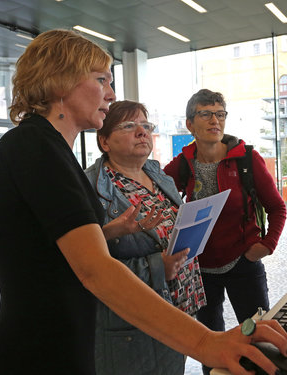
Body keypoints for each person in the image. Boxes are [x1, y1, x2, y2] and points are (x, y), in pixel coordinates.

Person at [0, 30, 287, 375]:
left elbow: (48, 251)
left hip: (58, 345)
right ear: (60, 80)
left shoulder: (48, 149)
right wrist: (207, 343)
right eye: (101, 80)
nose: (111, 94)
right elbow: (94, 269)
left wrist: (108, 231)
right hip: (39, 354)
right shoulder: (36, 149)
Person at [164, 89, 287, 373]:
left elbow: (277, 207)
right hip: (202, 267)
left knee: (258, 338)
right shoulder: (183, 163)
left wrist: (267, 245)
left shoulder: (246, 158)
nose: (214, 120)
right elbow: (157, 192)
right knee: (212, 345)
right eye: (205, 114)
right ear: (190, 124)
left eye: (220, 114)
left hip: (244, 262)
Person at [85, 99, 206, 375]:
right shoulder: (91, 187)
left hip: (179, 303)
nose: (142, 132)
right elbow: (88, 264)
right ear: (104, 141)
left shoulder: (157, 174)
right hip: (136, 317)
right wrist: (157, 268)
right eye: (129, 126)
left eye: (145, 125)